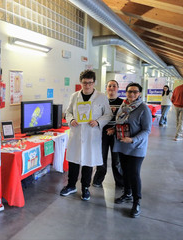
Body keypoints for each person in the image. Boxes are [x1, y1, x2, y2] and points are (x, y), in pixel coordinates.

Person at [60, 70, 112, 201]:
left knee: (88, 163)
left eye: (89, 83)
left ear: (94, 83)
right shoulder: (74, 96)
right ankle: (71, 185)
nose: (87, 86)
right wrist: (71, 120)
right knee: (73, 162)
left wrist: (98, 121)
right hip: (76, 133)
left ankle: (85, 188)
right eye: (84, 83)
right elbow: (68, 112)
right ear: (81, 82)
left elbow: (108, 114)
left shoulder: (101, 97)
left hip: (91, 134)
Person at [112, 82, 152, 218]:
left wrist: (133, 139)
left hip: (136, 147)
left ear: (139, 93)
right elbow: (120, 122)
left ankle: (136, 201)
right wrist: (114, 129)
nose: (132, 94)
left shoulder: (143, 108)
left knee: (134, 174)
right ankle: (127, 193)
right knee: (125, 171)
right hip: (122, 145)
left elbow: (147, 130)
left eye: (135, 92)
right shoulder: (123, 106)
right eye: (129, 91)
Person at [93, 80, 124, 188]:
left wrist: (114, 129)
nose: (111, 88)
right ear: (106, 88)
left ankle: (120, 181)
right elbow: (96, 115)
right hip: (102, 132)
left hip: (116, 133)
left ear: (118, 88)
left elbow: (124, 119)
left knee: (116, 160)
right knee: (101, 157)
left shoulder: (122, 102)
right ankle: (98, 180)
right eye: (109, 86)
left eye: (114, 86)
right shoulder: (101, 101)